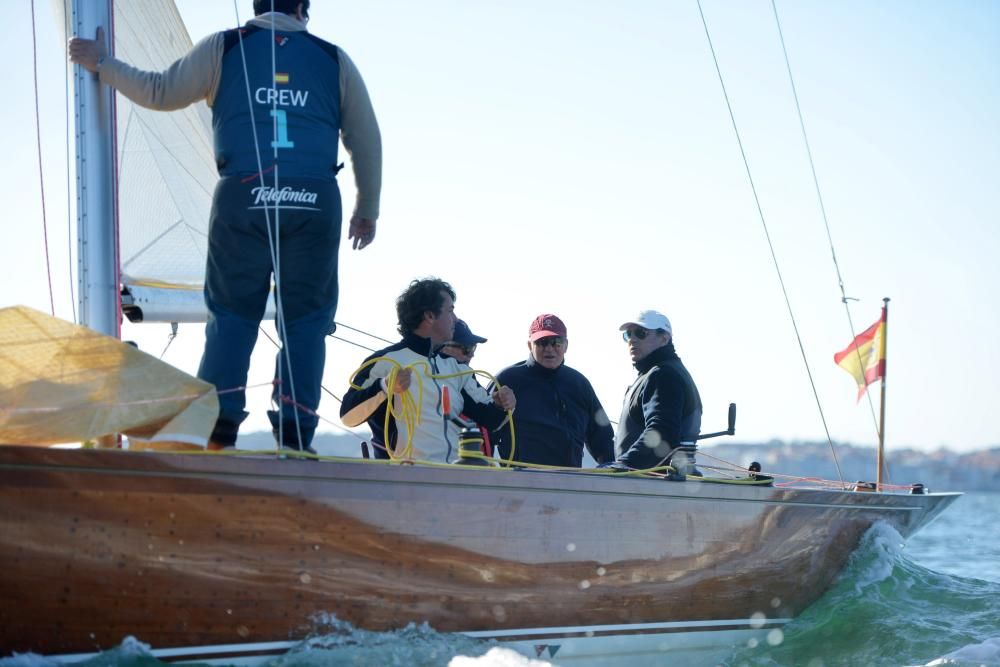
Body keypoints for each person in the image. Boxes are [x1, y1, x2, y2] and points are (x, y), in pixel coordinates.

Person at [69, 1, 382, 453]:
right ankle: (295, 434)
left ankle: (218, 431)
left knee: (233, 316)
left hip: (244, 195)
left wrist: (102, 63)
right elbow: (365, 138)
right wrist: (366, 208)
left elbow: (159, 92)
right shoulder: (334, 59)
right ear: (303, 11)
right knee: (306, 321)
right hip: (314, 199)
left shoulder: (223, 46)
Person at [340, 279, 516, 462]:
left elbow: (492, 420)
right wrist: (385, 387)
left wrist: (502, 403)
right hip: (404, 480)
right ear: (430, 316)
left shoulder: (455, 367)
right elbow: (347, 416)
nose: (455, 319)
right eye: (450, 311)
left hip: (455, 478)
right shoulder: (385, 362)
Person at [492, 314, 614, 468]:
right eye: (542, 342)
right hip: (520, 483)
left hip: (569, 483)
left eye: (556, 342)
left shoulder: (580, 384)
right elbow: (484, 430)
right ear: (530, 345)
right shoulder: (507, 379)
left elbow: (602, 437)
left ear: (566, 345)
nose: (549, 349)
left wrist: (610, 469)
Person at [613, 310, 702, 475]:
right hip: (651, 483)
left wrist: (625, 464)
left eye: (641, 333)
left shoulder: (663, 374)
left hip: (650, 484)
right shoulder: (662, 372)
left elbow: (662, 431)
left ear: (664, 339)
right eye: (628, 334)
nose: (632, 339)